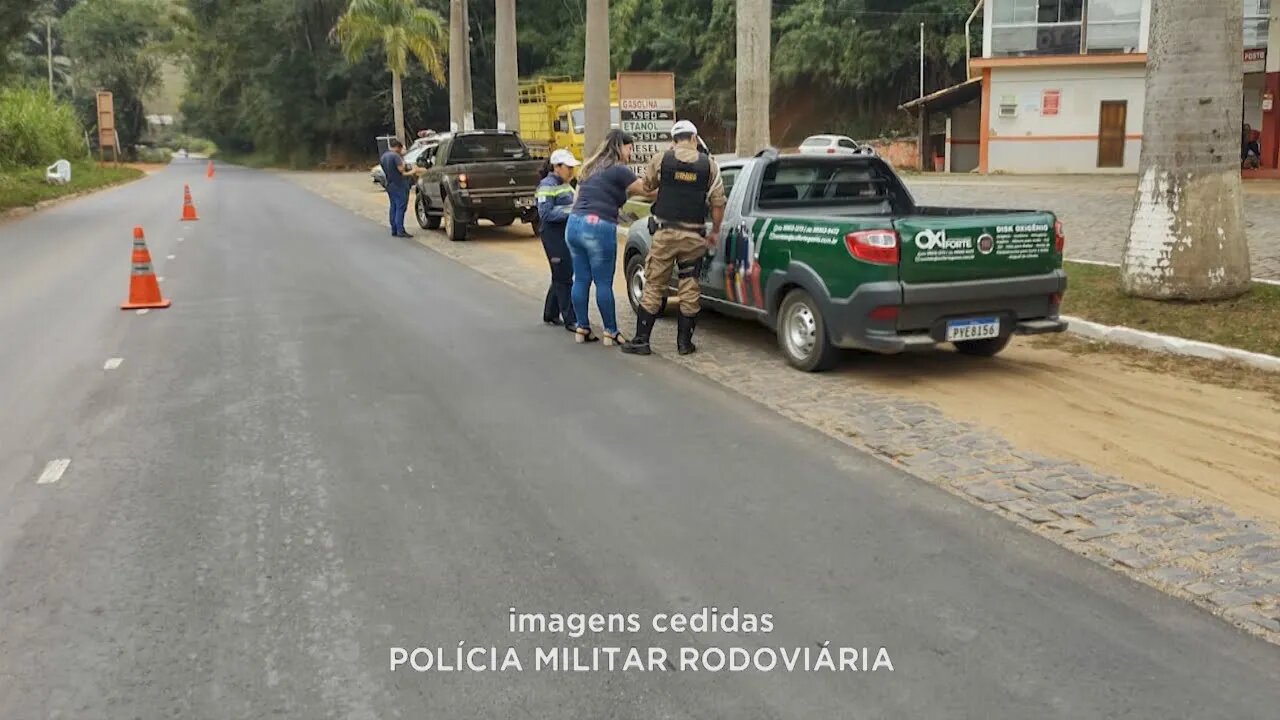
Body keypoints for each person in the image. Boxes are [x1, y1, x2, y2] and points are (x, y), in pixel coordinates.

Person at [621, 120, 726, 356]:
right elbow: (718, 203)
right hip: (693, 235)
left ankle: (641, 341)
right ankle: (684, 344)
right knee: (689, 286)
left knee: (655, 284)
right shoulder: (709, 165)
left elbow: (647, 186)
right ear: (695, 138)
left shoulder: (662, 159)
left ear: (673, 139)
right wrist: (716, 231)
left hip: (665, 233)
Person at [565, 129, 652, 345]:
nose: (630, 153)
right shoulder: (618, 170)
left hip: (574, 225)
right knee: (603, 282)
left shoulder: (590, 167)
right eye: (629, 148)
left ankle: (581, 328)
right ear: (619, 147)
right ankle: (610, 331)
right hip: (598, 226)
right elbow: (647, 191)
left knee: (581, 279)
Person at [536, 149, 580, 332]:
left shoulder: (565, 184)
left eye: (572, 168)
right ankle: (571, 319)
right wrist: (571, 213)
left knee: (560, 273)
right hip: (553, 235)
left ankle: (550, 313)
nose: (571, 171)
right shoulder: (547, 186)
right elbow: (545, 213)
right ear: (556, 167)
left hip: (564, 233)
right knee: (564, 276)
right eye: (567, 167)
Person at [379, 138, 423, 237]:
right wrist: (412, 171)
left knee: (393, 206)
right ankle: (400, 229)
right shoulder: (396, 157)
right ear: (398, 148)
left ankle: (394, 229)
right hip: (399, 184)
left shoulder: (384, 156)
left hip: (389, 184)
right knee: (400, 207)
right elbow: (402, 171)